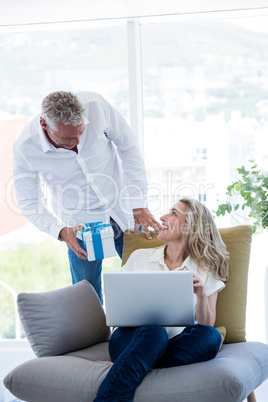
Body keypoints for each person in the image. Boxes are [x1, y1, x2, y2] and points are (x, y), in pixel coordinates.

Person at [13, 91, 161, 302]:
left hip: (124, 210)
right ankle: (96, 336)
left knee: (147, 281)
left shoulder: (96, 105)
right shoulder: (25, 148)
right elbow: (29, 202)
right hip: (80, 226)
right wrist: (61, 231)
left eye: (81, 132)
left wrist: (138, 203)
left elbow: (129, 147)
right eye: (67, 138)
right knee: (87, 297)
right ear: (44, 124)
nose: (76, 143)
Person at [94, 197, 229, 401]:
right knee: (154, 332)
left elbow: (206, 324)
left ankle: (130, 363)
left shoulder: (205, 269)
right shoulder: (139, 257)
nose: (162, 217)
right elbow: (118, 308)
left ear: (190, 226)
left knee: (211, 338)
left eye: (173, 213)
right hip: (131, 338)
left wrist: (201, 296)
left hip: (176, 342)